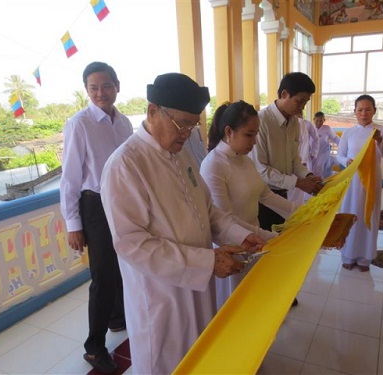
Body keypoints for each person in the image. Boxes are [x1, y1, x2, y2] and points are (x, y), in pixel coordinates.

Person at [99, 73, 266, 375]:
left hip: (198, 284)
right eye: (182, 124)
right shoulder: (125, 164)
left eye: (193, 124)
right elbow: (132, 244)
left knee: (201, 360)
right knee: (166, 364)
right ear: (152, 111)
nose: (187, 133)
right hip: (162, 296)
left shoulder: (182, 155)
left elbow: (209, 212)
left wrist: (243, 236)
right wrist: (207, 262)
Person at [59, 61, 132, 373]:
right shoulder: (79, 124)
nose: (101, 92)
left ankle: (118, 319)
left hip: (122, 204)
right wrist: (74, 224)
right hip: (95, 206)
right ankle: (94, 347)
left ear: (117, 85)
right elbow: (70, 179)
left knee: (123, 266)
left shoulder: (125, 123)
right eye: (94, 88)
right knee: (102, 277)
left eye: (106, 85)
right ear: (87, 91)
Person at [200, 100, 298, 308]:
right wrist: (269, 236)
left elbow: (266, 195)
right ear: (229, 131)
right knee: (237, 307)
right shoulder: (213, 165)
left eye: (256, 134)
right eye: (249, 134)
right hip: (233, 247)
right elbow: (225, 220)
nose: (254, 141)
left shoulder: (245, 160)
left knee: (257, 303)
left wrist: (301, 211)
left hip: (255, 242)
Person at [249, 72, 323, 232]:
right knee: (265, 244)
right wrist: (298, 183)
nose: (302, 107)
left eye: (306, 102)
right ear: (284, 94)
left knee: (281, 238)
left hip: (282, 194)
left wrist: (308, 176)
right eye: (299, 101)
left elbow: (294, 160)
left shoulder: (294, 122)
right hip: (261, 197)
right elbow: (261, 169)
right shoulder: (261, 121)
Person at [337, 94, 383, 272]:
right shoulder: (349, 132)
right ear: (354, 112)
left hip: (371, 182)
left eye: (368, 109)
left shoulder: (382, 131)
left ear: (374, 111)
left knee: (369, 216)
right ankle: (348, 255)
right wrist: (346, 161)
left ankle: (364, 258)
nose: (363, 113)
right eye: (360, 110)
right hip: (352, 182)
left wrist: (380, 141)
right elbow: (340, 155)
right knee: (350, 216)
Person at [287, 110, 320, 205]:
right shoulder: (282, 122)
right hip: (289, 161)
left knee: (297, 189)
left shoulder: (302, 123)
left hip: (300, 160)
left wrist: (308, 157)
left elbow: (306, 142)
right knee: (291, 188)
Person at [311, 111, 340, 179]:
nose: (318, 123)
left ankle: (320, 183)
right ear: (313, 119)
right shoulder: (310, 128)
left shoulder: (327, 129)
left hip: (324, 152)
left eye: (321, 121)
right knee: (311, 169)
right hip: (312, 153)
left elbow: (335, 138)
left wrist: (343, 146)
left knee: (319, 167)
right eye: (317, 120)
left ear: (324, 120)